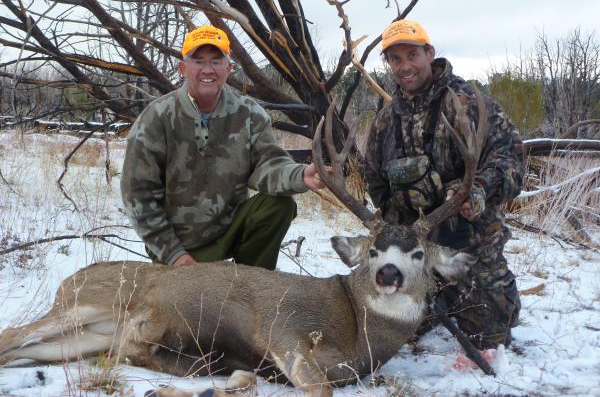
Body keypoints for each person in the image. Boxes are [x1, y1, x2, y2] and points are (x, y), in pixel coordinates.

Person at [363, 19, 524, 349]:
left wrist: (476, 190)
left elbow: (510, 159)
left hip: (468, 237)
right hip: (413, 246)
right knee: (386, 327)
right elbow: (374, 179)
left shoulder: (468, 103)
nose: (405, 66)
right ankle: (428, 296)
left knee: (489, 335)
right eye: (395, 59)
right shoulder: (385, 121)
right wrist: (394, 218)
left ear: (429, 53)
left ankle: (463, 296)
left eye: (412, 55)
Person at [122, 25, 326, 268]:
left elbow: (267, 164)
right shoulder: (156, 117)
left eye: (216, 61)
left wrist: (301, 175)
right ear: (183, 68)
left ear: (228, 69)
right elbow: (138, 194)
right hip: (177, 246)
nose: (208, 70)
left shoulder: (249, 113)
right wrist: (173, 254)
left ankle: (250, 282)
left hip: (227, 235)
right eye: (198, 61)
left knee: (279, 205)